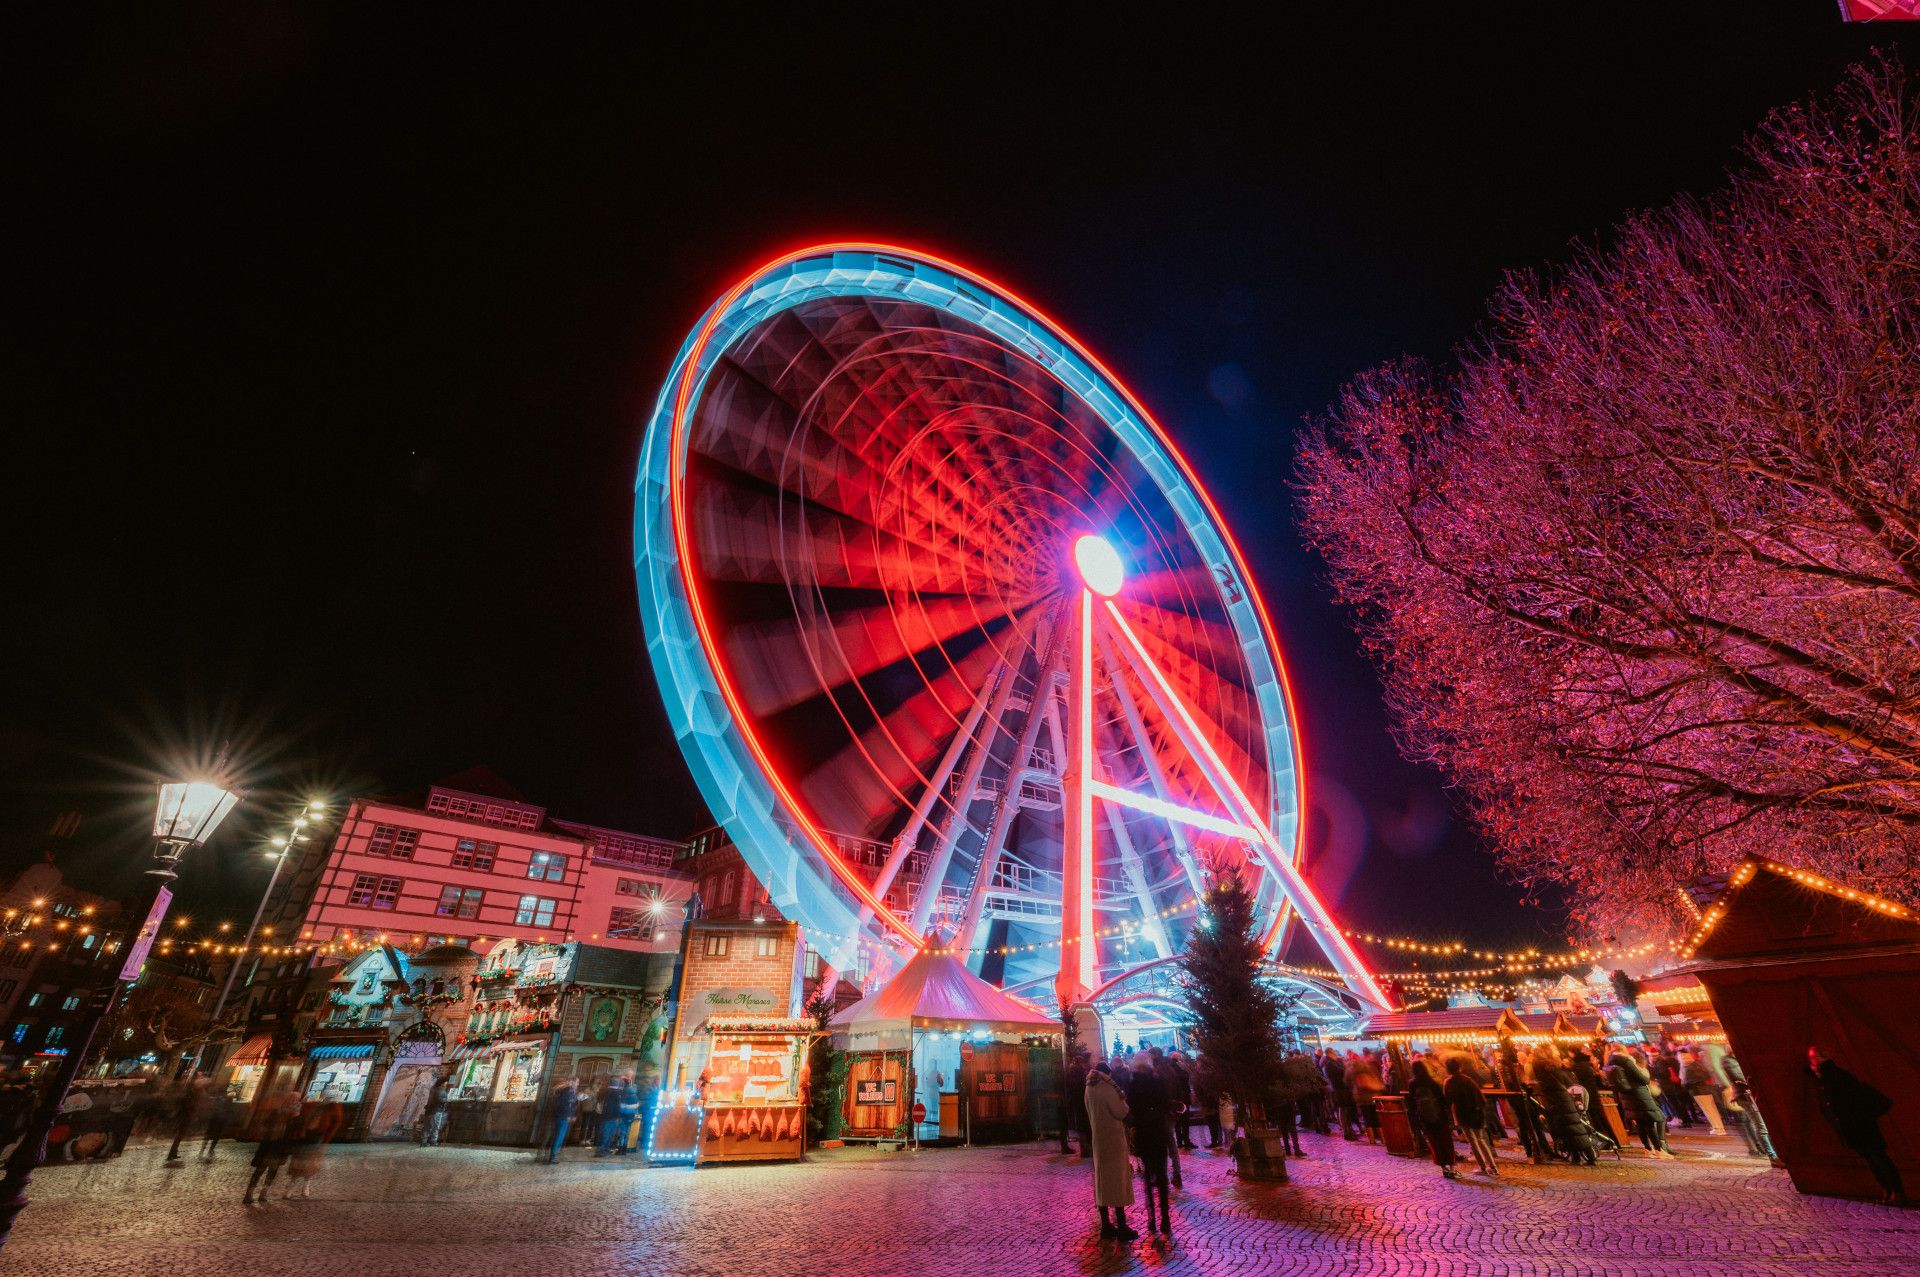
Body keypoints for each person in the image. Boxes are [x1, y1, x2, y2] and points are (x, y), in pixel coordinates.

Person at [1808, 1048, 1907, 1205]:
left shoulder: (1836, 1076)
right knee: (1872, 1159)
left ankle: (1897, 1191)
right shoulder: (1823, 1079)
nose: (1811, 1061)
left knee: (1877, 1157)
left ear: (1822, 1058)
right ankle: (1888, 1190)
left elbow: (1850, 1101)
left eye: (1814, 1057)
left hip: (1860, 1124)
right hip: (1853, 1126)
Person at [1084, 1063, 1137, 1241]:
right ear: (1107, 1074)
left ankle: (1106, 1224)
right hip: (1113, 1139)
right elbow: (1121, 1111)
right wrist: (1124, 1100)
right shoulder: (1107, 1088)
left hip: (1098, 1140)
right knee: (1117, 1181)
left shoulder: (1089, 1088)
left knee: (1102, 1181)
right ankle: (1122, 1225)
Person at [1126, 1057, 1174, 1237]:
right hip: (1158, 1132)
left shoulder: (1134, 1084)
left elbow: (1130, 1109)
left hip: (1144, 1134)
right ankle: (1165, 1219)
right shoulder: (1158, 1081)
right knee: (1161, 1174)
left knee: (1147, 1175)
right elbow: (1165, 1104)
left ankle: (1151, 1217)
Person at [1533, 1046, 1599, 1166]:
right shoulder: (1551, 1066)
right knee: (1576, 1129)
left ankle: (1576, 1157)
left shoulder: (1538, 1067)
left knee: (1566, 1130)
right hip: (1564, 1101)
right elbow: (1568, 1082)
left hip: (1554, 1102)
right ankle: (1589, 1156)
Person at [1607, 1046, 1673, 1158]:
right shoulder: (1627, 1061)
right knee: (1649, 1122)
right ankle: (1659, 1150)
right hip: (1639, 1095)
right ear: (1623, 1051)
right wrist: (1646, 1077)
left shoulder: (1611, 1062)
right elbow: (1642, 1079)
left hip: (1627, 1096)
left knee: (1640, 1123)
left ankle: (1647, 1149)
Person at [1444, 1057, 1498, 1176]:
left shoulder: (1449, 1083)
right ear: (1460, 1067)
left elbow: (1447, 1101)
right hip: (1476, 1113)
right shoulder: (1468, 1080)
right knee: (1481, 1140)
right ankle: (1493, 1166)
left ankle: (1483, 1167)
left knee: (1473, 1142)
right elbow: (1481, 1098)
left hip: (1462, 1114)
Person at [243, 1094, 299, 1206]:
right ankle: (249, 1194)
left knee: (272, 1171)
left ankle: (263, 1193)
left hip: (280, 1147)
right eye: (292, 1099)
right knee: (260, 1170)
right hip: (269, 1145)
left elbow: (294, 1133)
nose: (294, 1102)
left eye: (296, 1100)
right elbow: (266, 1124)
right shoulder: (276, 1112)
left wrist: (294, 1118)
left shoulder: (295, 1117)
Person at [285, 1094, 344, 1199]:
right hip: (304, 1138)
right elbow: (297, 1115)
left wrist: (325, 1142)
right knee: (297, 1163)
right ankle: (291, 1187)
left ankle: (305, 1186)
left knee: (310, 1164)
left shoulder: (331, 1111)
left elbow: (333, 1126)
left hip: (316, 1139)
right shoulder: (311, 1106)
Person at [1407, 1060, 1458, 1178]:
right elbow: (1443, 1100)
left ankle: (1443, 1167)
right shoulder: (1432, 1082)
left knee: (1435, 1142)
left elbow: (1411, 1103)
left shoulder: (1412, 1084)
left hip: (1424, 1118)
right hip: (1440, 1116)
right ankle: (1452, 1168)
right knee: (1446, 1142)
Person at [165, 1075, 214, 1163]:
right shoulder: (191, 1097)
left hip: (184, 1116)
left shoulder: (188, 1094)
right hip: (185, 1117)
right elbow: (189, 1107)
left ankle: (174, 1153)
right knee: (179, 1136)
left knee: (179, 1136)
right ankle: (171, 1154)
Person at [1682, 1051, 1727, 1136]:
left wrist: (1685, 1085)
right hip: (1707, 1089)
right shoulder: (1699, 1065)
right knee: (1713, 1109)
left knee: (1708, 1110)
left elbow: (1688, 1082)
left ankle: (1717, 1129)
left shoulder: (1689, 1068)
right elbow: (1707, 1075)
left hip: (1698, 1091)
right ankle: (1720, 1127)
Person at [1064, 1049, 1092, 1158]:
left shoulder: (1071, 1073)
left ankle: (1084, 1149)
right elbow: (1080, 1087)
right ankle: (1086, 1149)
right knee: (1085, 1126)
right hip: (1081, 1102)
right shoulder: (1079, 1074)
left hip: (1077, 1102)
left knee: (1082, 1127)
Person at [1166, 1051, 1196, 1151]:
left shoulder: (1169, 1068)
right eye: (1178, 1059)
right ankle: (1184, 1141)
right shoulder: (1175, 1069)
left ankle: (1181, 1142)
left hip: (1179, 1098)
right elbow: (1184, 1078)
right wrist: (1184, 1069)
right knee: (1182, 1121)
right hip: (1180, 1098)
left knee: (1181, 1121)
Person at [1324, 1049, 1358, 1140]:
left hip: (1342, 1090)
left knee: (1346, 1111)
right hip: (1340, 1091)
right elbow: (1343, 1072)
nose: (1335, 1054)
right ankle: (1347, 1132)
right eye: (1334, 1052)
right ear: (1330, 1053)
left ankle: (1349, 1131)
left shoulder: (1334, 1063)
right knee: (1344, 1111)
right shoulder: (1330, 1064)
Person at [545, 1076, 578, 1164]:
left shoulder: (572, 1092)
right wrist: (568, 1115)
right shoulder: (566, 1092)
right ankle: (552, 1156)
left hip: (564, 1117)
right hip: (562, 1117)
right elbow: (564, 1105)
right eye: (576, 1082)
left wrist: (573, 1115)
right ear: (572, 1082)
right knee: (559, 1136)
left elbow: (572, 1105)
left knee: (560, 1136)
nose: (577, 1084)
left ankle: (554, 1154)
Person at [201, 1086, 238, 1159]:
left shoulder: (217, 1098)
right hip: (221, 1120)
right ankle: (210, 1150)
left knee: (208, 1134)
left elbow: (212, 1108)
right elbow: (230, 1110)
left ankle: (202, 1149)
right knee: (216, 1136)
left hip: (214, 1119)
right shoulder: (229, 1099)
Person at [419, 1072, 452, 1146]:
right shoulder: (440, 1090)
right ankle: (433, 1141)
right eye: (446, 1082)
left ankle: (423, 1141)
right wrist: (446, 1100)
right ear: (442, 1083)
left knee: (427, 1127)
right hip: (436, 1110)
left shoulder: (433, 1089)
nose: (447, 1083)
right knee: (435, 1127)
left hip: (429, 1110)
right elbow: (440, 1100)